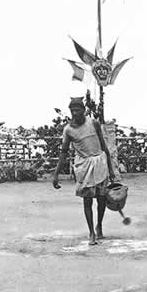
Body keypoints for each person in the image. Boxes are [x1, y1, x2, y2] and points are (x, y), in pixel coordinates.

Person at [52, 97, 115, 245]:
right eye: (73, 110)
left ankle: (99, 225)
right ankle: (91, 232)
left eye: (78, 109)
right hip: (84, 167)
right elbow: (64, 152)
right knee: (87, 201)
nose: (75, 113)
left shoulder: (94, 123)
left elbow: (104, 147)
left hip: (100, 164)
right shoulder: (68, 130)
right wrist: (56, 174)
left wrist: (111, 170)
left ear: (84, 110)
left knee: (101, 200)